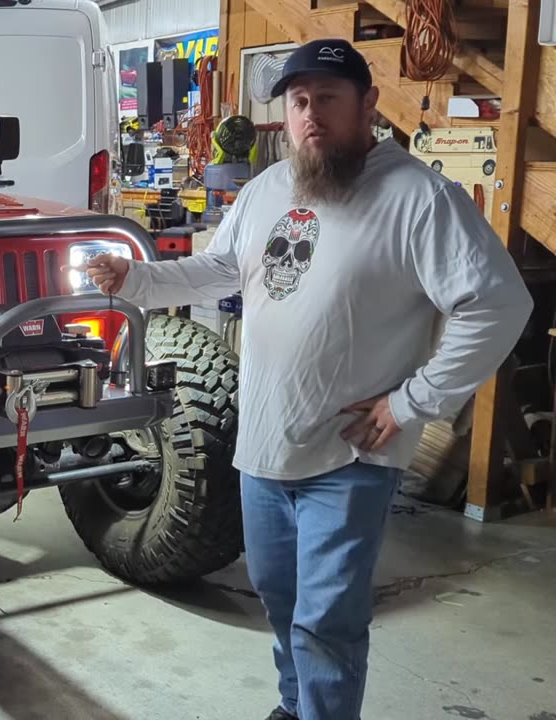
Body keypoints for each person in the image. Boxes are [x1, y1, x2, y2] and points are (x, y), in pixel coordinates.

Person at [78, 38, 533, 720]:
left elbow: (498, 302)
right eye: (298, 101)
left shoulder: (418, 198)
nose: (310, 115)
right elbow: (221, 268)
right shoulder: (268, 189)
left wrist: (415, 402)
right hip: (266, 446)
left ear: (368, 105)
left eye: (327, 98)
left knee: (327, 619)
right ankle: (296, 707)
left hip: (349, 452)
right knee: (279, 598)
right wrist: (137, 278)